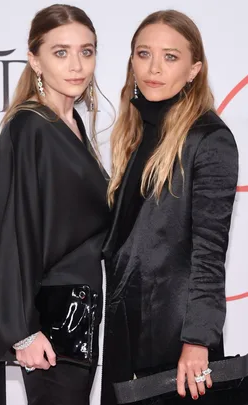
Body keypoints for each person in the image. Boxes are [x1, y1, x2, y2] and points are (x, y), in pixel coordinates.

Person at [101, 9, 242, 405]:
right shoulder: (135, 134)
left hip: (175, 338)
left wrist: (198, 340)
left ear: (194, 69)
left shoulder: (209, 139)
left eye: (170, 57)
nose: (154, 68)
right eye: (143, 54)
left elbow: (210, 253)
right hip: (125, 330)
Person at [0, 4, 109, 405]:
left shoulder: (73, 124)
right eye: (61, 52)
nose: (77, 65)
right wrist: (22, 330)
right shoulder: (30, 126)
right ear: (34, 59)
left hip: (80, 311)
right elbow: (8, 232)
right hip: (51, 320)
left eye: (86, 51)